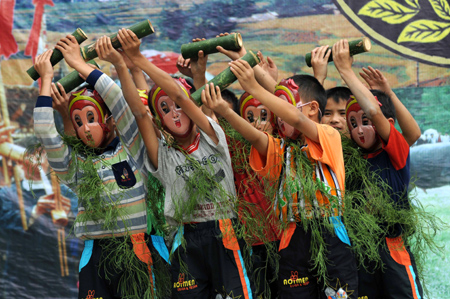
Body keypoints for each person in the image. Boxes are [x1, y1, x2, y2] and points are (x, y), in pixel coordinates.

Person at [203, 51, 357, 297]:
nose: (278, 116)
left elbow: (295, 117)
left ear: (313, 109)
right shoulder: (279, 148)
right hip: (292, 236)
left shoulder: (328, 136)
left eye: (282, 106)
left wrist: (253, 86)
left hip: (330, 232)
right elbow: (254, 136)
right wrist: (227, 112)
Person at [116, 28, 254, 299]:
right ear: (160, 120)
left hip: (223, 230)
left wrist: (140, 60)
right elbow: (140, 113)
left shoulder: (213, 136)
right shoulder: (163, 155)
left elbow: (179, 96)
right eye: (164, 110)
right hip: (184, 239)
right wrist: (123, 64)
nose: (174, 113)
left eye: (178, 106)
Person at [33, 34, 165, 299]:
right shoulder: (77, 167)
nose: (84, 128)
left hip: (137, 249)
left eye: (90, 117)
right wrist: (45, 80)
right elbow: (46, 133)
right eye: (78, 122)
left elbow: (116, 97)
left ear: (110, 119)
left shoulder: (133, 149)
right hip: (96, 255)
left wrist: (78, 63)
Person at [333, 39, 423, 299]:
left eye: (365, 121)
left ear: (386, 123)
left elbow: (376, 111)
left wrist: (346, 70)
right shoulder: (349, 158)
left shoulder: (393, 151)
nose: (359, 129)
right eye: (353, 123)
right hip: (362, 251)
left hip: (393, 246)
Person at [0, 158, 81, 299]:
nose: (35, 162)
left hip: (59, 273)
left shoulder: (66, 193)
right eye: (28, 156)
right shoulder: (7, 194)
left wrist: (69, 215)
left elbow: (83, 231)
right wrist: (34, 211)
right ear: (19, 162)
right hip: (20, 274)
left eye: (40, 155)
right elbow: (4, 226)